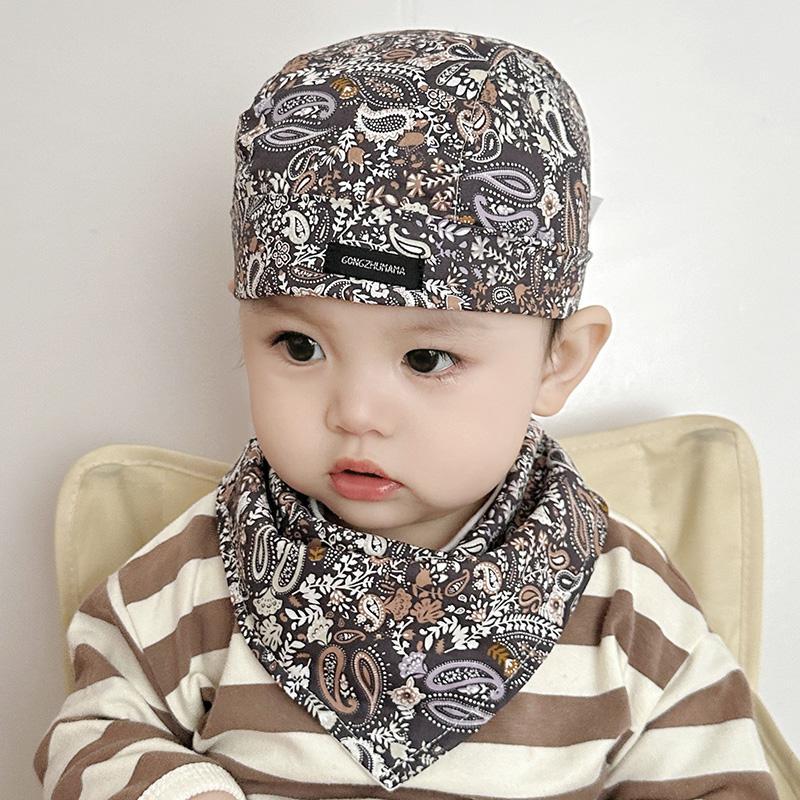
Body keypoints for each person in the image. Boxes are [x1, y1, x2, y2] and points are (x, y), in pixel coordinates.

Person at [33, 28, 779, 800]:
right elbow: (93, 734)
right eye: (299, 345)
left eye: (426, 360)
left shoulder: (629, 612)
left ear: (558, 362)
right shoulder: (198, 580)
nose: (355, 413)